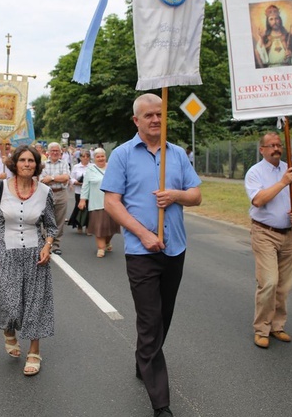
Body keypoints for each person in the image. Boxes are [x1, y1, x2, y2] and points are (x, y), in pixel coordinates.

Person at [102, 93, 202, 417]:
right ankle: (162, 404)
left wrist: (176, 195)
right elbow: (112, 203)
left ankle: (143, 359)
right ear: (136, 120)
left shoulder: (178, 155)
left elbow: (196, 195)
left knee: (164, 317)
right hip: (141, 251)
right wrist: (143, 233)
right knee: (150, 319)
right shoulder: (122, 155)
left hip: (175, 248)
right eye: (149, 115)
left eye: (160, 114)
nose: (156, 119)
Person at [0, 145, 57, 377]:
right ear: (15, 163)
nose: (27, 164)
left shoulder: (45, 192)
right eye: (22, 160)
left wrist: (48, 245)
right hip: (4, 251)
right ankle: (9, 330)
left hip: (34, 254)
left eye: (31, 161)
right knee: (9, 301)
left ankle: (34, 351)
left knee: (35, 303)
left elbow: (51, 226)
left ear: (36, 164)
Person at [245, 132, 292, 349]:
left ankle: (277, 326)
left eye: (279, 145)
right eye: (271, 145)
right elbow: (258, 200)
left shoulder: (291, 170)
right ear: (262, 149)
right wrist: (283, 182)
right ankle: (261, 329)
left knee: (284, 286)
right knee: (269, 282)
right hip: (264, 233)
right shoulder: (255, 173)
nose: (276, 148)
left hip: (288, 235)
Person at [79, 148, 120, 257]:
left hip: (112, 202)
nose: (101, 158)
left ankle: (107, 242)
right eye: (98, 157)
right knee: (99, 226)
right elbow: (85, 185)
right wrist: (83, 199)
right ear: (94, 158)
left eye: (102, 156)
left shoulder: (112, 168)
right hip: (96, 203)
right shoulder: (90, 169)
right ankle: (101, 248)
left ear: (105, 157)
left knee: (112, 226)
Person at [39, 142, 71, 255]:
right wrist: (58, 178)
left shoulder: (64, 163)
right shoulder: (43, 164)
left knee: (59, 221)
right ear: (48, 152)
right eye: (52, 150)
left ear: (60, 152)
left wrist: (51, 178)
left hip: (61, 193)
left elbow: (66, 177)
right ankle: (45, 241)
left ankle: (56, 244)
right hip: (46, 193)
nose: (55, 152)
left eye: (57, 150)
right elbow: (42, 180)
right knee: (46, 218)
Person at [67, 150, 91, 234]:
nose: (85, 158)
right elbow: (71, 178)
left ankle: (88, 227)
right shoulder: (76, 167)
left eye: (87, 156)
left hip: (89, 191)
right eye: (83, 156)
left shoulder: (92, 166)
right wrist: (75, 182)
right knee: (80, 208)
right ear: (80, 157)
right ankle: (79, 225)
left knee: (89, 209)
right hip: (79, 191)